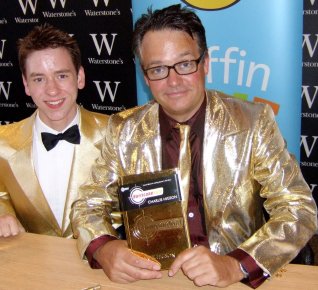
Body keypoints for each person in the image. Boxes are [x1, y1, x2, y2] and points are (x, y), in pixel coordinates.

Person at [70, 4, 317, 288]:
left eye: (185, 64)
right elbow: (88, 204)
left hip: (232, 279)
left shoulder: (253, 123)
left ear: (206, 63)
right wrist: (104, 247)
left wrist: (236, 264)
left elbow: (299, 208)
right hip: (154, 278)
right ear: (145, 75)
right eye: (158, 69)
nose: (173, 81)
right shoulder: (124, 131)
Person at [0, 24, 108, 238]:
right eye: (39, 79)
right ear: (26, 84)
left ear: (80, 77)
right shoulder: (2, 142)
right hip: (32, 267)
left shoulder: (117, 133)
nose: (52, 90)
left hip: (100, 267)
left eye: (61, 76)